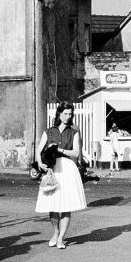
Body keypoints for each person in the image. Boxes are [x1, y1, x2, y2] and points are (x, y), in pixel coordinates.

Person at [35, 102, 87, 249]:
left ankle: (61, 238)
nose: (67, 117)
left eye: (70, 114)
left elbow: (76, 153)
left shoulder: (74, 132)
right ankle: (55, 232)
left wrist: (60, 149)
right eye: (65, 113)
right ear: (59, 114)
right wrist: (40, 163)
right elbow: (38, 151)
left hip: (68, 169)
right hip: (52, 169)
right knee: (52, 204)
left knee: (66, 205)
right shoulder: (49, 131)